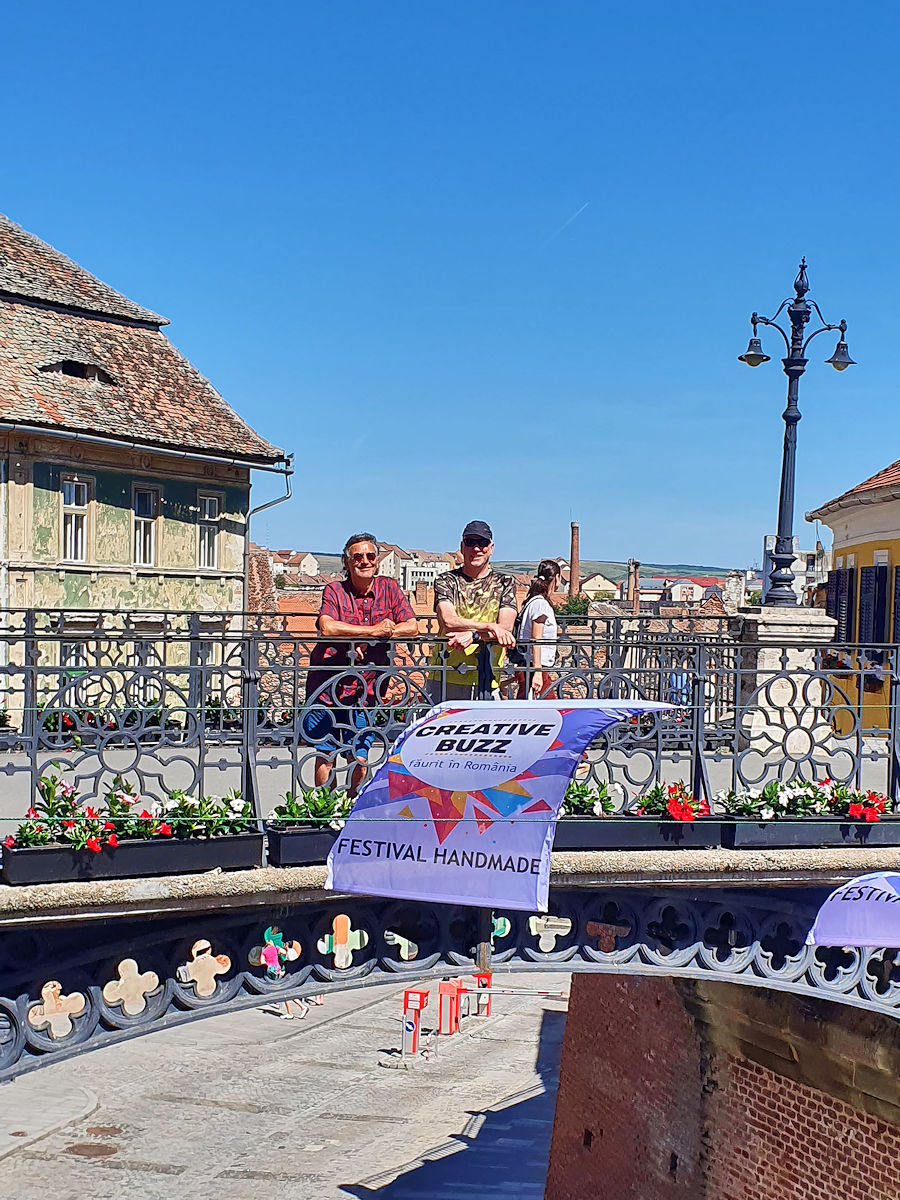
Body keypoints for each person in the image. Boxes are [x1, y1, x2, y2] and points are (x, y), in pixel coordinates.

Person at [304, 532, 418, 793]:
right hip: (328, 687)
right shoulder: (335, 590)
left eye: (370, 556)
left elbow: (412, 626)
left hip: (367, 689)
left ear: (377, 560)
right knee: (325, 755)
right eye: (357, 557)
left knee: (361, 757)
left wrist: (383, 633)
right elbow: (327, 627)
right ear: (347, 562)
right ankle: (326, 807)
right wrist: (371, 632)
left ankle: (353, 804)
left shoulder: (389, 588)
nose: (364, 561)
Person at [429, 520, 517, 702]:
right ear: (462, 547)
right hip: (445, 674)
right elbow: (449, 621)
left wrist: (474, 635)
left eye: (482, 543)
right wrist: (490, 626)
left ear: (491, 548)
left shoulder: (505, 582)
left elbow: (505, 628)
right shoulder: (446, 580)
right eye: (470, 542)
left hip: (488, 676)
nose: (476, 548)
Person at [516, 559, 562, 698]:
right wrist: (537, 672)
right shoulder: (540, 604)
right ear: (557, 578)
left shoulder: (533, 601)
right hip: (534, 667)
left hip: (530, 666)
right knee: (547, 707)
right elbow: (536, 638)